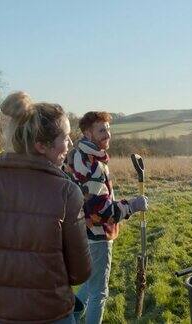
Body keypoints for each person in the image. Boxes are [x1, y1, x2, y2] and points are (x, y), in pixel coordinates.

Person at [0, 92, 91, 324]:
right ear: (41, 145)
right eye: (65, 138)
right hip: (50, 313)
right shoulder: (67, 193)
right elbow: (80, 272)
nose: (70, 144)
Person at [64, 111, 149, 324]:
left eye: (108, 129)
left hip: (79, 231)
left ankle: (71, 317)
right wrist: (133, 205)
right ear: (87, 133)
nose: (107, 134)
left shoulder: (74, 156)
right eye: (101, 130)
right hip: (97, 233)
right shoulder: (94, 165)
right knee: (99, 292)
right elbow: (102, 212)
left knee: (90, 282)